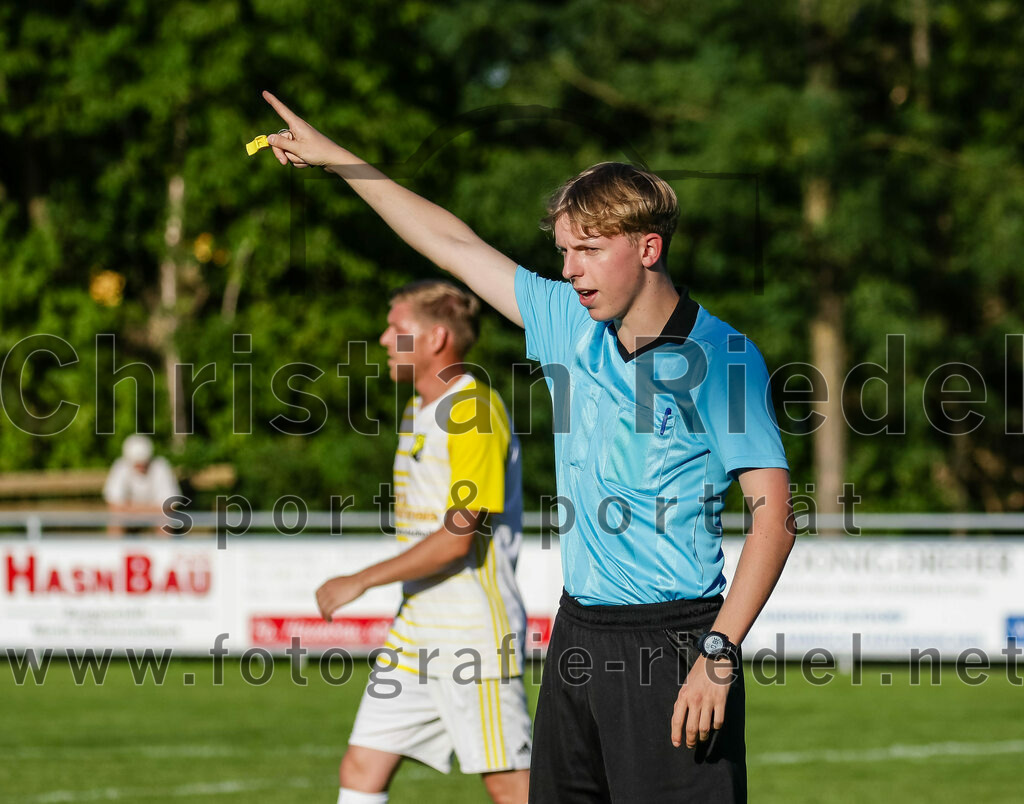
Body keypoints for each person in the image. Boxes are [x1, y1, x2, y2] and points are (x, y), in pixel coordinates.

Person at [264, 91, 795, 803]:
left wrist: (719, 654)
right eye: (564, 252)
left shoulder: (722, 357)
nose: (571, 271)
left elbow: (775, 518)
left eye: (588, 250)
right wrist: (340, 164)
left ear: (647, 247)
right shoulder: (565, 322)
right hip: (578, 635)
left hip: (674, 641)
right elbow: (450, 243)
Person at [315, 280, 532, 804]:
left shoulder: (472, 410)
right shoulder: (419, 408)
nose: (385, 338)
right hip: (417, 627)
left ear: (436, 338)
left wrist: (360, 581)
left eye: (398, 328)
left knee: (511, 786)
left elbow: (460, 537)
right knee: (361, 766)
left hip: (470, 633)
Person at [102, 434, 181, 536]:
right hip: (133, 515)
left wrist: (131, 509)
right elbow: (114, 506)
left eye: (143, 462)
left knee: (164, 520)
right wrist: (151, 509)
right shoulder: (120, 467)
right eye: (137, 463)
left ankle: (164, 551)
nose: (140, 466)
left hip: (149, 515)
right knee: (115, 520)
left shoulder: (160, 466)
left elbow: (170, 506)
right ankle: (114, 550)